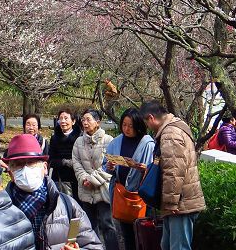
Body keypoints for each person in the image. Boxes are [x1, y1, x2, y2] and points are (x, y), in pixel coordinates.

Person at [3, 134, 102, 250]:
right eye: (18, 165)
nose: (25, 170)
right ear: (10, 173)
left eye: (31, 162)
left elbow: (92, 245)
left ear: (45, 168)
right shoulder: (0, 212)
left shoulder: (68, 206)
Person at [140, 101, 205, 250]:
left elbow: (173, 171)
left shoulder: (170, 134)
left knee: (178, 247)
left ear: (150, 118)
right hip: (179, 202)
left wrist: (170, 203)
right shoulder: (175, 127)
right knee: (168, 245)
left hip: (180, 204)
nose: (148, 127)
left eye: (146, 122)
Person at [102, 108, 155, 250]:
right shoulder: (115, 142)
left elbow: (155, 170)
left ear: (138, 125)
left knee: (143, 233)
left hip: (141, 197)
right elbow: (104, 167)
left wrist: (143, 168)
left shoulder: (148, 144)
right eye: (124, 125)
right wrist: (110, 167)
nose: (126, 129)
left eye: (130, 126)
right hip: (121, 195)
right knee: (127, 235)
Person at [71, 110, 118, 250]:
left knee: (107, 224)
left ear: (98, 122)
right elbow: (76, 163)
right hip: (85, 189)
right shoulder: (79, 141)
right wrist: (84, 179)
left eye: (88, 119)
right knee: (90, 225)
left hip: (103, 189)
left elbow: (109, 166)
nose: (85, 123)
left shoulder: (109, 140)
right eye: (83, 120)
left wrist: (92, 180)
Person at [48, 109, 81, 197]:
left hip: (77, 177)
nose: (63, 121)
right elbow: (51, 160)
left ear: (73, 121)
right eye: (61, 118)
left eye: (66, 118)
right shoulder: (54, 138)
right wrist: (64, 162)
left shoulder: (80, 138)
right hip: (59, 178)